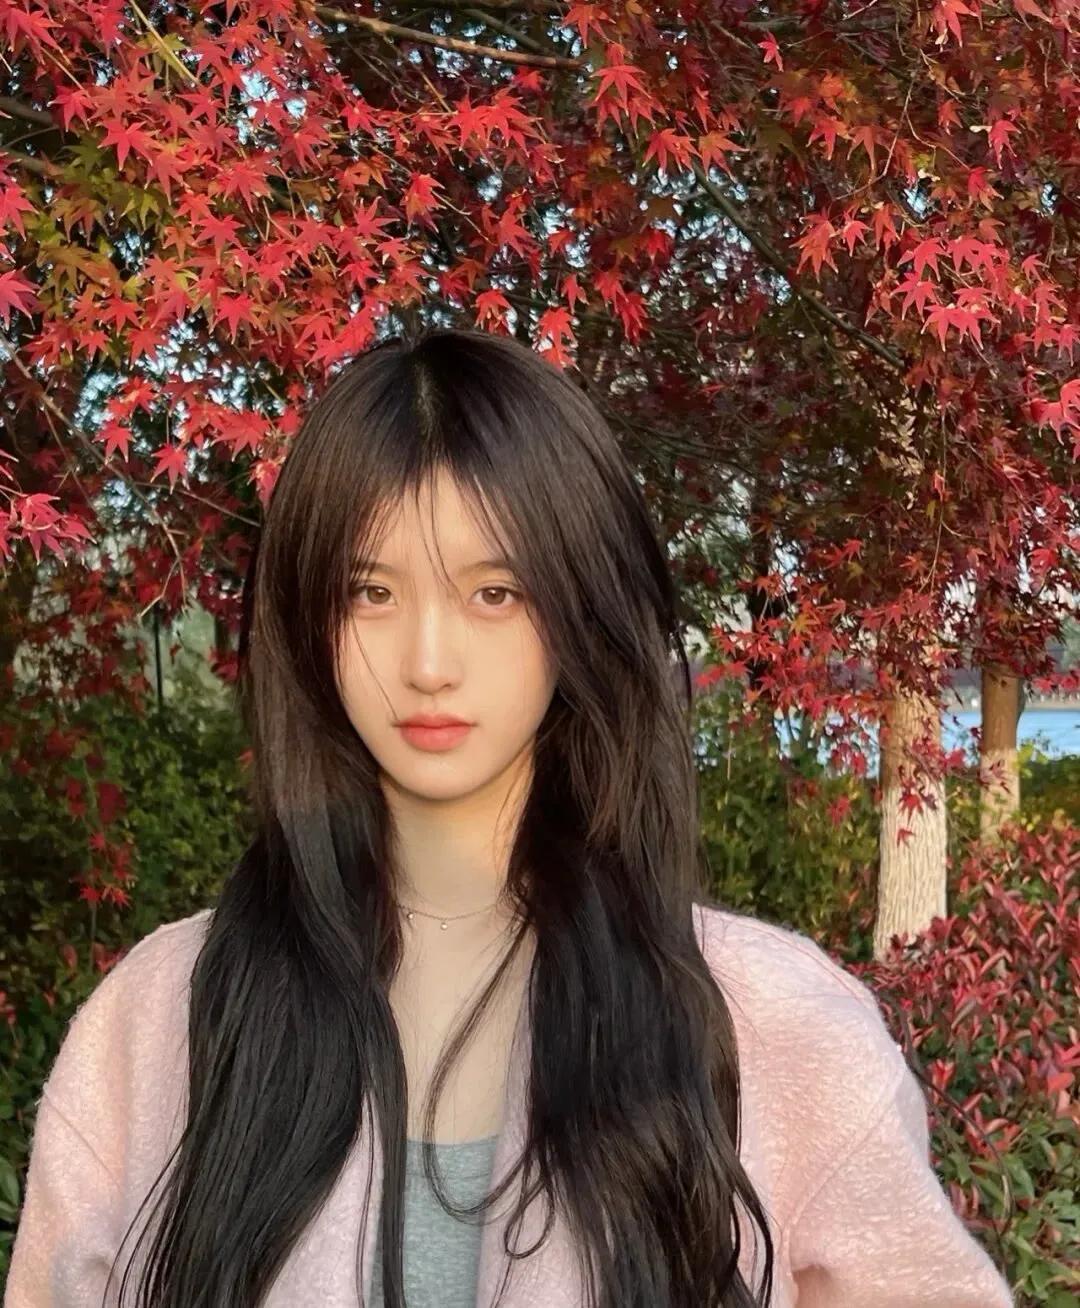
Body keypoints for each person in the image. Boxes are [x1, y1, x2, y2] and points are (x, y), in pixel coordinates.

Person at [6, 327, 1014, 1308]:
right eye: (370, 592)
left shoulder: (777, 1027)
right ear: (309, 619)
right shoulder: (158, 1023)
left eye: (494, 593)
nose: (428, 661)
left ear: (581, 607)